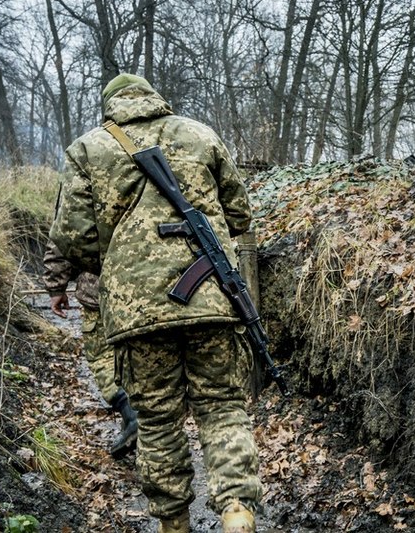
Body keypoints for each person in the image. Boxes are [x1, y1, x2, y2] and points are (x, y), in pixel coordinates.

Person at [50, 73, 259, 533]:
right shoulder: (201, 134)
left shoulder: (87, 149)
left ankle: (174, 523)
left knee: (158, 418)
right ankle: (238, 512)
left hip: (136, 312)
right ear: (153, 98)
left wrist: (117, 266)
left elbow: (73, 237)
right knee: (222, 405)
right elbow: (241, 213)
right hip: (212, 299)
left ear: (110, 105)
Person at [41, 242, 138, 458]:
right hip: (159, 292)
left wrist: (56, 286)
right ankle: (145, 429)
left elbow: (67, 235)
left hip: (102, 289)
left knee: (103, 356)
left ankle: (132, 416)